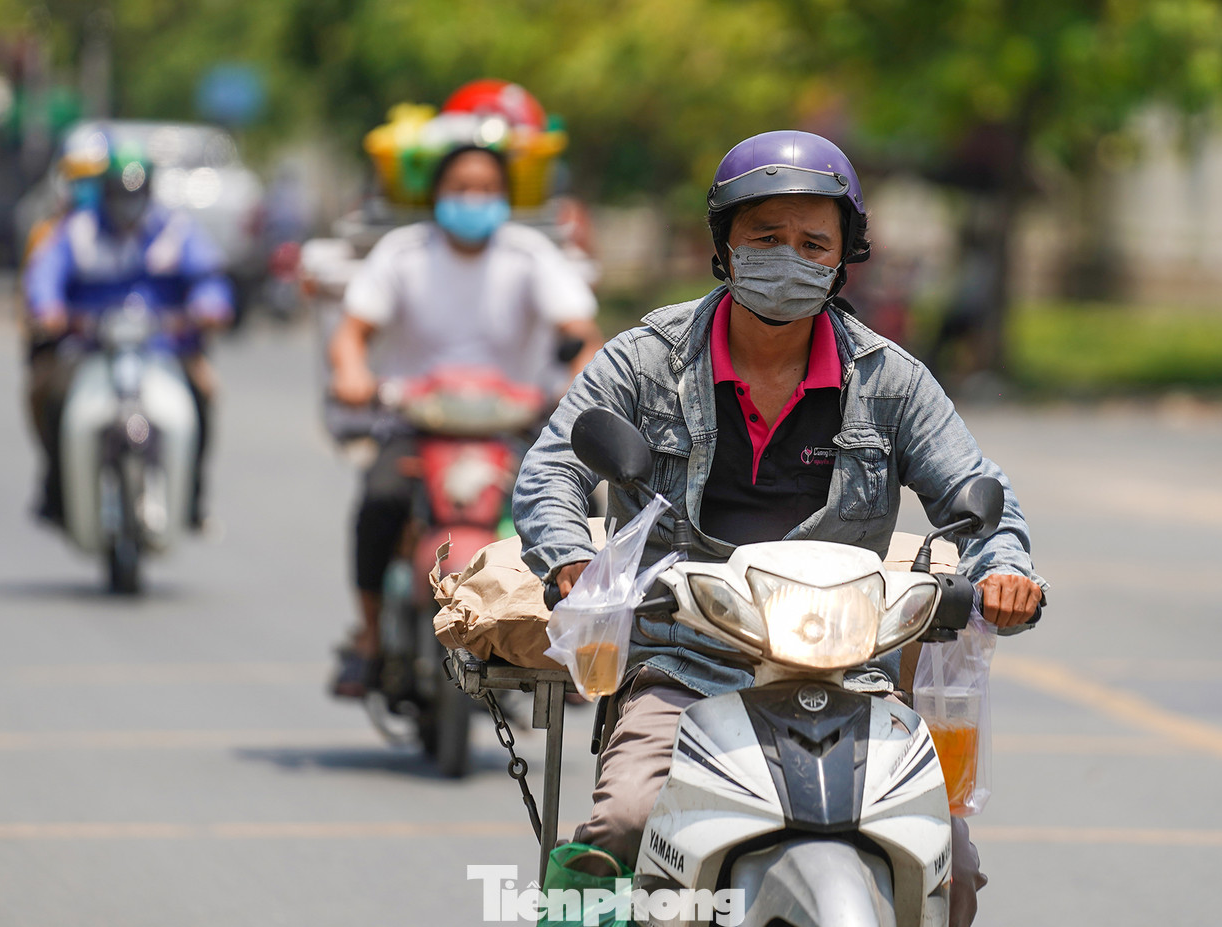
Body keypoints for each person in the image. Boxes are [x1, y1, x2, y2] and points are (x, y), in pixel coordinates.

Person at [511, 130, 1046, 927]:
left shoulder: (892, 380)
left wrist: (1005, 570)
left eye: (811, 242)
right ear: (725, 245)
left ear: (842, 258)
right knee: (623, 821)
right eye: (765, 238)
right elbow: (552, 469)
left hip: (851, 675)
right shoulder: (645, 359)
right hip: (684, 662)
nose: (787, 257)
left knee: (952, 865)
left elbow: (981, 490)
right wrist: (571, 562)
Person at [326, 143, 603, 698]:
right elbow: (352, 331)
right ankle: (371, 637)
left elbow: (581, 333)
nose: (472, 200)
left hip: (516, 424)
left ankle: (582, 636)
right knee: (379, 501)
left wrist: (579, 376)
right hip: (414, 422)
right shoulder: (402, 255)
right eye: (460, 188)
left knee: (581, 507)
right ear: (436, 195)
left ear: (505, 198)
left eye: (485, 189)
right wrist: (352, 371)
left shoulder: (530, 256)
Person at [23, 144, 232, 528]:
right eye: (121, 194)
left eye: (135, 195)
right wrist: (48, 308)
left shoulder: (173, 230)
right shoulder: (80, 231)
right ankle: (55, 486)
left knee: (204, 391)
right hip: (90, 348)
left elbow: (209, 278)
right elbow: (46, 274)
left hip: (163, 348)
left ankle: (194, 496)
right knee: (47, 393)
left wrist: (209, 307)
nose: (128, 204)